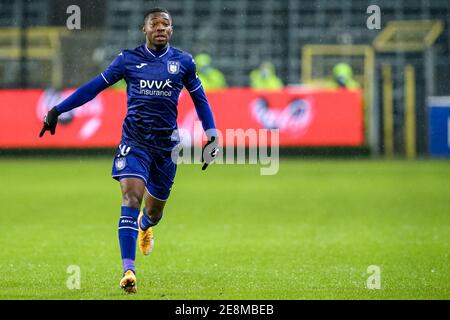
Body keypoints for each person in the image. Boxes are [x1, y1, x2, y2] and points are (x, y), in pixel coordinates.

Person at [39, 7, 219, 294]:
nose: (160, 28)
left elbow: (200, 98)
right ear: (144, 29)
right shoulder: (128, 60)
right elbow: (93, 87)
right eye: (154, 24)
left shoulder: (183, 62)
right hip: (134, 143)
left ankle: (146, 226)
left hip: (166, 149)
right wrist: (58, 109)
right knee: (130, 197)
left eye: (166, 24)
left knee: (154, 211)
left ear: (171, 30)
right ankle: (129, 271)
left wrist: (212, 134)